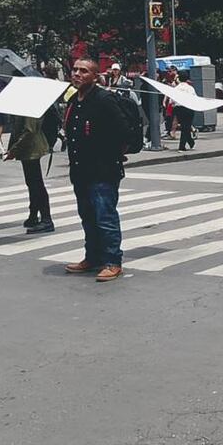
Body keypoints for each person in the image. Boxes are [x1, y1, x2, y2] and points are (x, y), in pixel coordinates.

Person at [63, 58, 128, 282]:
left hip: (103, 171)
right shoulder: (74, 100)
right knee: (87, 217)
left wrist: (110, 153)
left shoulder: (103, 99)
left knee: (105, 217)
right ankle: (92, 257)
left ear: (94, 76)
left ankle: (112, 262)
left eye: (83, 71)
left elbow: (123, 130)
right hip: (80, 170)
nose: (77, 74)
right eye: (75, 70)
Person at [5, 112, 54, 234]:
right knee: (32, 183)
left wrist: (14, 150)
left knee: (36, 183)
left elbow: (30, 131)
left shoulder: (29, 109)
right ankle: (34, 215)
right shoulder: (24, 107)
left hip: (31, 148)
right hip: (28, 148)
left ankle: (46, 219)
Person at [174, 78, 197, 151]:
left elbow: (172, 100)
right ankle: (182, 146)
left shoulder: (176, 88)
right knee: (186, 127)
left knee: (184, 127)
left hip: (179, 108)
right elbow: (195, 98)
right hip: (188, 107)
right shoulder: (190, 88)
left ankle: (191, 142)